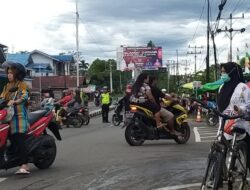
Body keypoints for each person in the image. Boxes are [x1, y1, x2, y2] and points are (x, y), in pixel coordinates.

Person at [217, 62, 250, 167]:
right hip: (224, 125)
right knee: (219, 154)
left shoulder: (243, 87)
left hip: (239, 124)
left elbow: (248, 104)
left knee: (248, 154)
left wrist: (241, 110)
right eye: (221, 72)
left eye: (224, 72)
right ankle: (216, 179)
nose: (223, 74)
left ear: (232, 72)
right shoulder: (222, 87)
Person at [0, 61, 30, 174]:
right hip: (7, 117)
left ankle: (25, 165)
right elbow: (2, 97)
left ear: (18, 74)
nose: (9, 75)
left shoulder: (22, 85)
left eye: (11, 73)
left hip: (19, 118)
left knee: (18, 138)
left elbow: (24, 96)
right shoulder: (7, 86)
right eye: (8, 72)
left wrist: (16, 101)